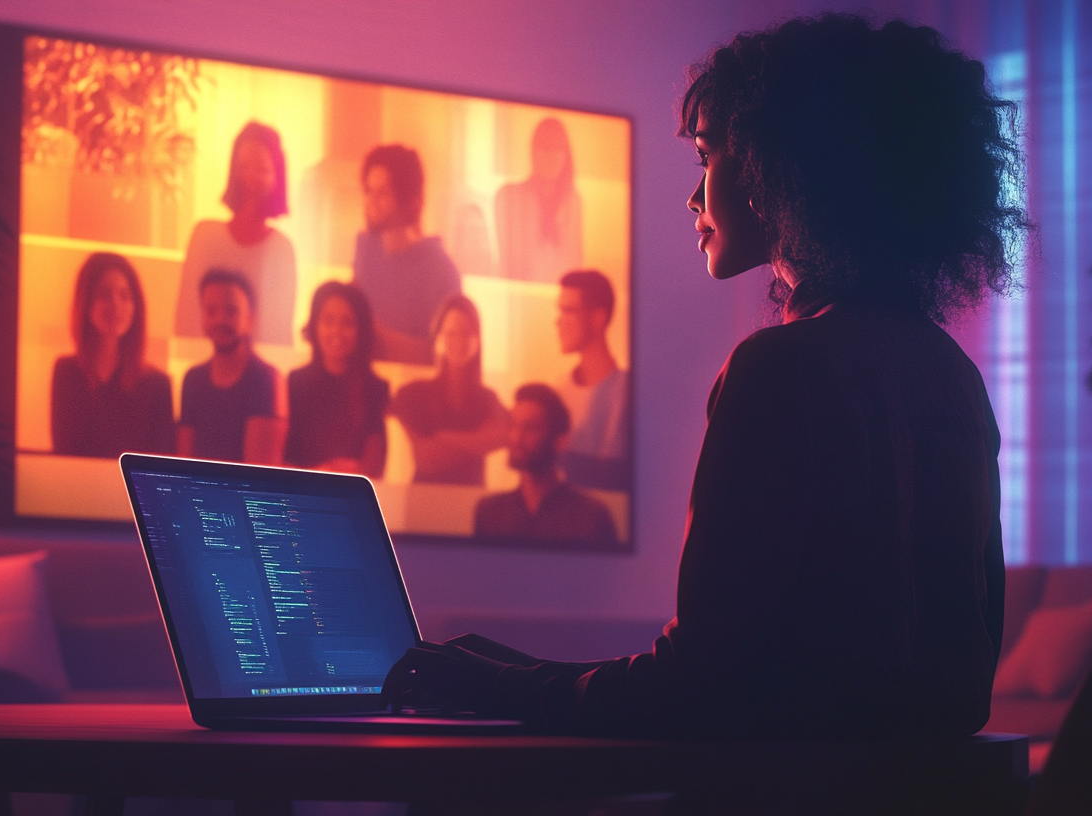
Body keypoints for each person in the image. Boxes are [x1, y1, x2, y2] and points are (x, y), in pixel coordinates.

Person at [384, 14, 1027, 741]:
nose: (694, 198)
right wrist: (513, 676)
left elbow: (696, 688)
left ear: (774, 165)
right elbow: (953, 690)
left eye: (707, 155)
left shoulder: (779, 369)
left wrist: (499, 688)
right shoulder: (955, 378)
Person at [175, 121, 297, 346]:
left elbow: (280, 334)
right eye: (244, 166)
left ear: (277, 179)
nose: (251, 177)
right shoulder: (204, 236)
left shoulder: (282, 249)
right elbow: (186, 319)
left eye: (263, 169)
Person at [51, 252, 174, 457]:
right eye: (104, 294)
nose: (116, 304)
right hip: (78, 487)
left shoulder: (158, 385)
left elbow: (160, 466)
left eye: (125, 295)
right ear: (86, 303)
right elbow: (64, 453)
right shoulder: (66, 373)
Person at [351, 144, 462, 364]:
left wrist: (377, 333)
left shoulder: (441, 270)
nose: (371, 201)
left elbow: (441, 357)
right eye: (368, 191)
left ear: (410, 201)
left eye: (382, 192)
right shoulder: (366, 248)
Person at [473, 384, 618, 547]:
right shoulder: (490, 512)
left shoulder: (591, 516)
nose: (516, 438)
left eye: (530, 428)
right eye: (513, 425)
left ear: (560, 441)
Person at [391, 295, 509, 486]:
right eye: (451, 333)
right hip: (424, 505)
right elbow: (428, 460)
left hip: (469, 506)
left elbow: (507, 434)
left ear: (477, 340)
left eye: (466, 333)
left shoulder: (487, 399)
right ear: (438, 338)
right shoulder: (412, 394)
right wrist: (482, 442)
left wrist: (445, 438)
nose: (459, 341)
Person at [284, 281, 390, 478]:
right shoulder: (295, 383)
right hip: (302, 493)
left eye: (347, 322)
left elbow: (375, 468)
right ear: (315, 325)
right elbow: (283, 459)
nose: (336, 331)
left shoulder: (375, 389)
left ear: (361, 330)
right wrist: (319, 474)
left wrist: (353, 470)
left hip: (352, 495)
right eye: (328, 320)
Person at [176, 270, 283, 463]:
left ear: (250, 318)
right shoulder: (193, 379)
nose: (220, 320)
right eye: (211, 310)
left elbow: (259, 474)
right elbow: (184, 464)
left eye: (231, 311)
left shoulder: (266, 379)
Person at [555, 270, 630, 491]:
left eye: (568, 310)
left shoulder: (626, 392)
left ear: (598, 318)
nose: (558, 321)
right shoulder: (559, 391)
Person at [495, 117, 583, 282]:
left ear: (566, 155)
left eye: (559, 148)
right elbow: (508, 265)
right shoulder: (510, 198)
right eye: (546, 147)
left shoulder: (573, 201)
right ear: (533, 151)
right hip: (521, 296)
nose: (553, 156)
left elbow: (576, 265)